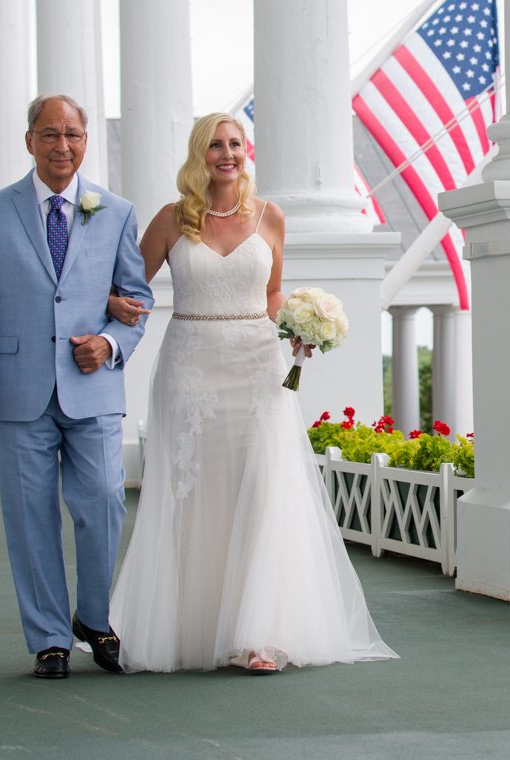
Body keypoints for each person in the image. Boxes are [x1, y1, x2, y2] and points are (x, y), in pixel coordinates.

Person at [106, 112, 395, 673]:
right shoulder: (172, 219)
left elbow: (272, 292)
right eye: (215, 145)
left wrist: (300, 331)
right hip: (190, 368)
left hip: (259, 367)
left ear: (246, 150)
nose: (227, 153)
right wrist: (114, 309)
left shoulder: (271, 217)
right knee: (196, 493)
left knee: (263, 488)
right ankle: (195, 627)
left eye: (235, 143)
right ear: (199, 154)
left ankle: (260, 633)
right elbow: (128, 287)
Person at [0, 94, 153, 680]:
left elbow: (136, 304)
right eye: (49, 134)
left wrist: (111, 344)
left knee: (105, 502)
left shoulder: (114, 211)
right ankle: (48, 639)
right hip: (16, 388)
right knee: (29, 515)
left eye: (72, 134)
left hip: (92, 389)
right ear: (30, 141)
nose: (61, 145)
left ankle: (94, 617)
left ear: (85, 140)